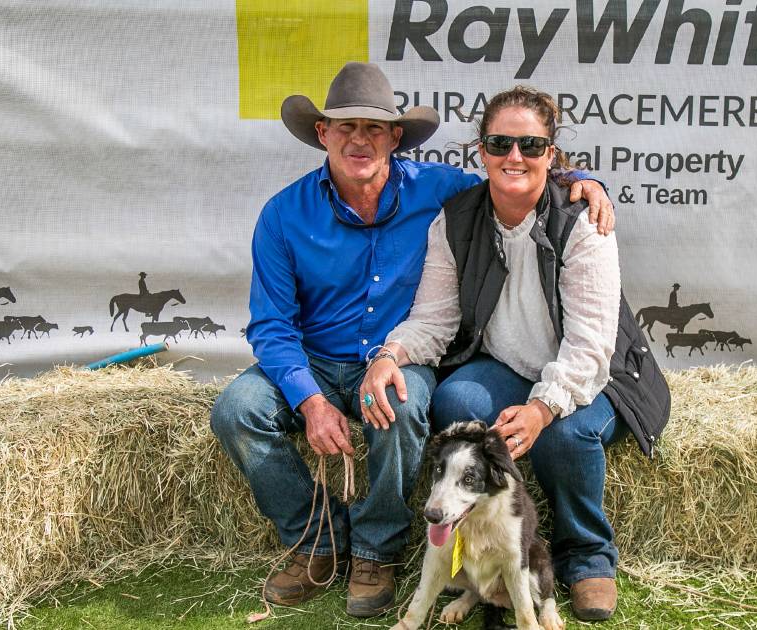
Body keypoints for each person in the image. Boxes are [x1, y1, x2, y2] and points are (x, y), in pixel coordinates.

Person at [208, 63, 613, 618]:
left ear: (396, 137)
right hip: (314, 360)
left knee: (401, 405)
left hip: (399, 356)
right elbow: (272, 326)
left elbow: (518, 176)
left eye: (375, 128)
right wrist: (310, 399)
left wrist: (583, 180)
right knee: (236, 410)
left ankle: (376, 550)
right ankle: (317, 538)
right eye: (344, 126)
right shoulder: (282, 215)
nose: (359, 140)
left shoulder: (441, 191)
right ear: (322, 133)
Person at [357, 86, 668, 622]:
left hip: (594, 375)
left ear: (552, 152)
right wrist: (391, 354)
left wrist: (543, 408)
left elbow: (592, 345)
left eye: (530, 144)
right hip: (508, 366)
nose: (514, 157)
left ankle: (587, 555)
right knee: (456, 400)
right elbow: (434, 319)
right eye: (500, 143)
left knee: (566, 432)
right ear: (481, 150)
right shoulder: (455, 219)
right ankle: (488, 538)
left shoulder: (582, 222)